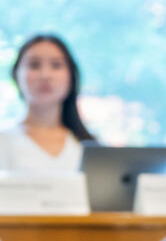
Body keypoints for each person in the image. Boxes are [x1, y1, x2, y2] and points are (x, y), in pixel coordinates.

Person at [0, 34, 96, 174]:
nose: (45, 75)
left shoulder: (89, 147)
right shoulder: (4, 140)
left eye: (56, 65)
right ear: (16, 74)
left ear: (71, 76)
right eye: (34, 65)